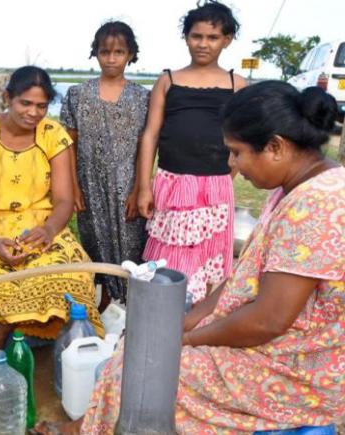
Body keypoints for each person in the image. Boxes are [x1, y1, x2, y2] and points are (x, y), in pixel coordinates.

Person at [82, 81, 345, 433]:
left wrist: (184, 341)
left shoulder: (317, 202)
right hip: (277, 345)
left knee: (142, 372)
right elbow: (241, 281)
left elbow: (269, 321)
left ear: (275, 147)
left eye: (236, 152)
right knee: (139, 349)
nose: (231, 163)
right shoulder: (295, 186)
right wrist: (182, 324)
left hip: (299, 368)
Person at [0, 66, 104, 349]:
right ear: (8, 98)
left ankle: (63, 347)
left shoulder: (52, 134)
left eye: (41, 106)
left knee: (71, 273)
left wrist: (48, 230)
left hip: (42, 225)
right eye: (26, 103)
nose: (33, 113)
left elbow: (63, 200)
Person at [136, 0, 247, 303]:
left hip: (215, 186)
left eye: (212, 38)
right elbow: (151, 134)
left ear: (227, 40)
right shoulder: (168, 80)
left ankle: (199, 319)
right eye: (196, 36)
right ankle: (166, 309)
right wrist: (145, 187)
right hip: (171, 184)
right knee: (170, 258)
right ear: (186, 37)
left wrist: (227, 175)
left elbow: (244, 139)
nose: (203, 44)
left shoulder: (237, 84)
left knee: (209, 256)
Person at [60, 21, 149, 306]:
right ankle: (104, 301)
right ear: (95, 54)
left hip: (129, 185)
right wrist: (74, 187)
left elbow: (147, 145)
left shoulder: (143, 97)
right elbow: (68, 145)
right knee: (95, 240)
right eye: (105, 52)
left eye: (119, 52)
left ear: (131, 54)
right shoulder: (77, 94)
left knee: (131, 243)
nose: (111, 59)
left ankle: (133, 303)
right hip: (90, 183)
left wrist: (139, 188)